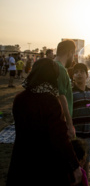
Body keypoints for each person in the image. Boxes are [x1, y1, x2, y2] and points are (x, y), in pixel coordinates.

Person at [7, 58, 82, 186]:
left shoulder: (20, 98)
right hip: (45, 165)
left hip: (21, 161)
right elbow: (60, 138)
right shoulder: (50, 101)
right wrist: (74, 166)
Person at [72, 63, 90, 176]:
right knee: (75, 162)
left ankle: (86, 183)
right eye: (76, 72)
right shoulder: (71, 93)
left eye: (82, 72)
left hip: (88, 133)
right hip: (76, 134)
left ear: (87, 75)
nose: (79, 74)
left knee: (86, 163)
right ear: (73, 76)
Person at [55, 40, 76, 139]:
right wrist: (69, 124)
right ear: (69, 52)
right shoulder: (60, 69)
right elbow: (61, 98)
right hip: (61, 123)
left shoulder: (54, 65)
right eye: (73, 54)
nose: (73, 59)